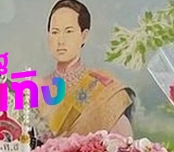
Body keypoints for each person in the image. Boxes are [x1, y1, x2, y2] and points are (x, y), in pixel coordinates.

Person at [43, 0, 134, 137]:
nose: (60, 40)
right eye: (55, 32)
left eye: (68, 31)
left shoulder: (104, 88)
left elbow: (123, 143)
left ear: (84, 36)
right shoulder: (35, 90)